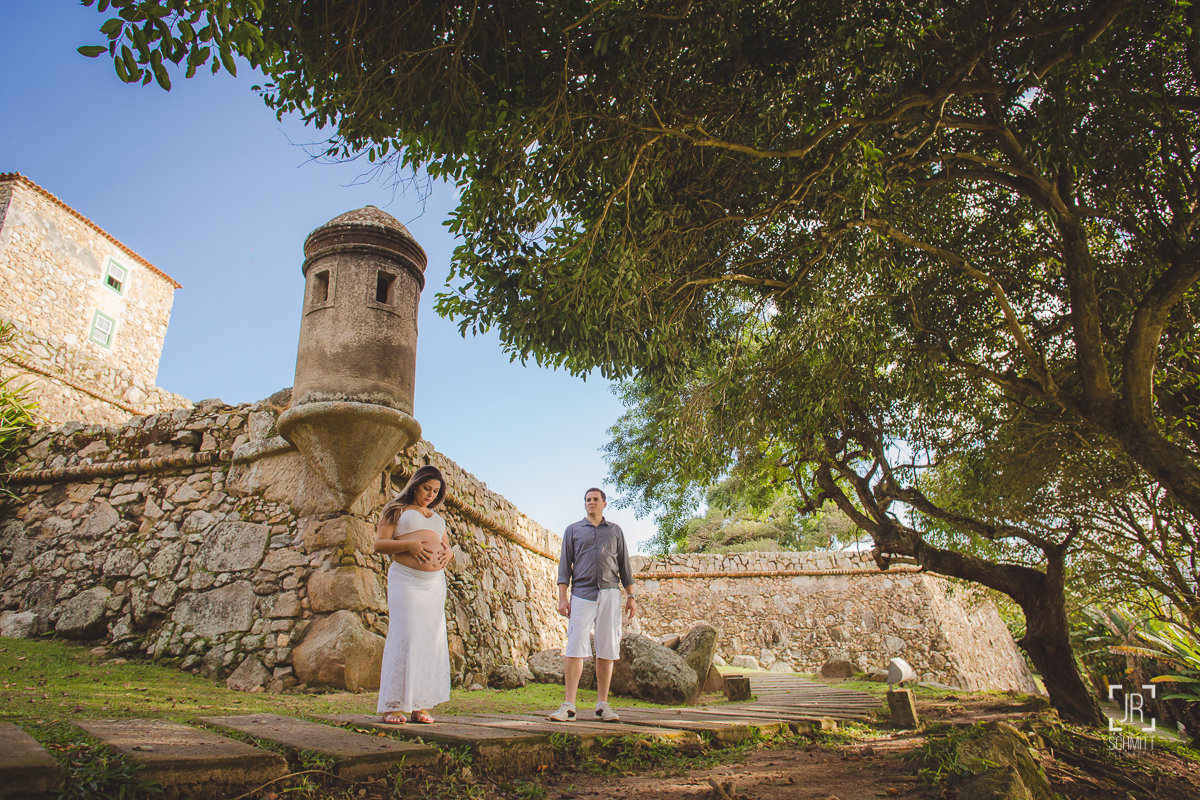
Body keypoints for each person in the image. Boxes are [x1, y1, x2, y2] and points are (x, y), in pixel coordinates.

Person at [373, 464, 454, 724]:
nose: (431, 495)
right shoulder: (395, 509)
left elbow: (446, 547)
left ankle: (421, 705)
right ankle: (393, 705)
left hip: (434, 584)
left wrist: (450, 553)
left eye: (435, 491)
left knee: (430, 640)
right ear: (415, 485)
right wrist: (409, 544)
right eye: (426, 488)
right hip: (407, 580)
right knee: (405, 636)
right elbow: (379, 544)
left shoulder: (437, 518)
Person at [548, 487, 636, 723]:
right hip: (582, 593)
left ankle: (602, 705)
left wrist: (631, 596)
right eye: (588, 500)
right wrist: (563, 598)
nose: (591, 502)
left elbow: (625, 567)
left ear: (604, 503)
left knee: (607, 648)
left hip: (610, 593)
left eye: (596, 499)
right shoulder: (573, 530)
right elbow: (564, 566)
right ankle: (569, 706)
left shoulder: (615, 531)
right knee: (574, 646)